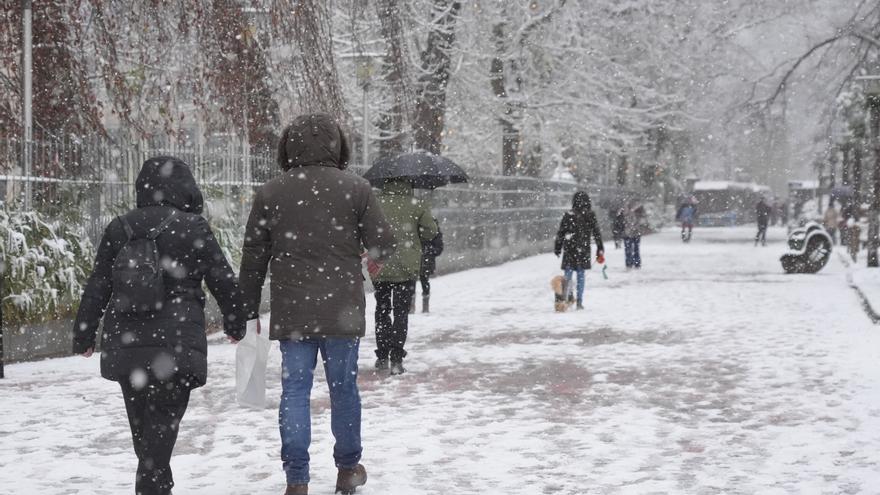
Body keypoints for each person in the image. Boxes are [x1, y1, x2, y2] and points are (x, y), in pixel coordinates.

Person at [239, 114, 396, 495]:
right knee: (344, 388)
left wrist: (245, 311)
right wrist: (368, 253)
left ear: (287, 147)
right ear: (337, 145)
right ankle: (347, 468)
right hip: (341, 308)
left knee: (295, 391)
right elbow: (383, 242)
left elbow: (254, 256)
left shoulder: (271, 193)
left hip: (293, 310)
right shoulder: (356, 189)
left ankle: (297, 477)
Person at [72, 156, 247, 495]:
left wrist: (84, 334)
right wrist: (235, 321)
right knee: (161, 429)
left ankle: (155, 485)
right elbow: (222, 279)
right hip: (176, 345)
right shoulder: (192, 227)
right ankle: (153, 487)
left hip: (127, 344)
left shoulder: (119, 227)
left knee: (144, 433)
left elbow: (98, 285)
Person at [372, 178, 439, 374]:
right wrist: (416, 236)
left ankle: (382, 356)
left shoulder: (375, 202)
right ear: (408, 183)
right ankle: (397, 358)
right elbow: (431, 231)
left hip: (380, 264)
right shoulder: (416, 203)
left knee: (382, 310)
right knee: (401, 312)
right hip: (407, 265)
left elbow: (363, 228)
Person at [554, 191, 604, 309]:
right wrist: (600, 248)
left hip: (570, 248)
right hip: (583, 248)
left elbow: (561, 233)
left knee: (568, 274)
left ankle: (569, 296)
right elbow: (596, 233)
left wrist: (558, 247)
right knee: (581, 274)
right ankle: (579, 301)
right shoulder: (590, 215)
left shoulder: (568, 215)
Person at [412, 218, 444, 314]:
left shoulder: (433, 229)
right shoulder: (417, 226)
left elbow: (439, 248)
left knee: (423, 282)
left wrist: (427, 251)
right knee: (411, 282)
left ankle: (424, 306)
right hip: (417, 259)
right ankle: (411, 305)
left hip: (425, 260)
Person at [623, 201, 647, 269]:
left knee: (632, 249)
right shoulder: (627, 211)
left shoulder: (637, 212)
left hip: (632, 233)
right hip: (630, 233)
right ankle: (632, 263)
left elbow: (641, 222)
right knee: (632, 249)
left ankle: (632, 263)